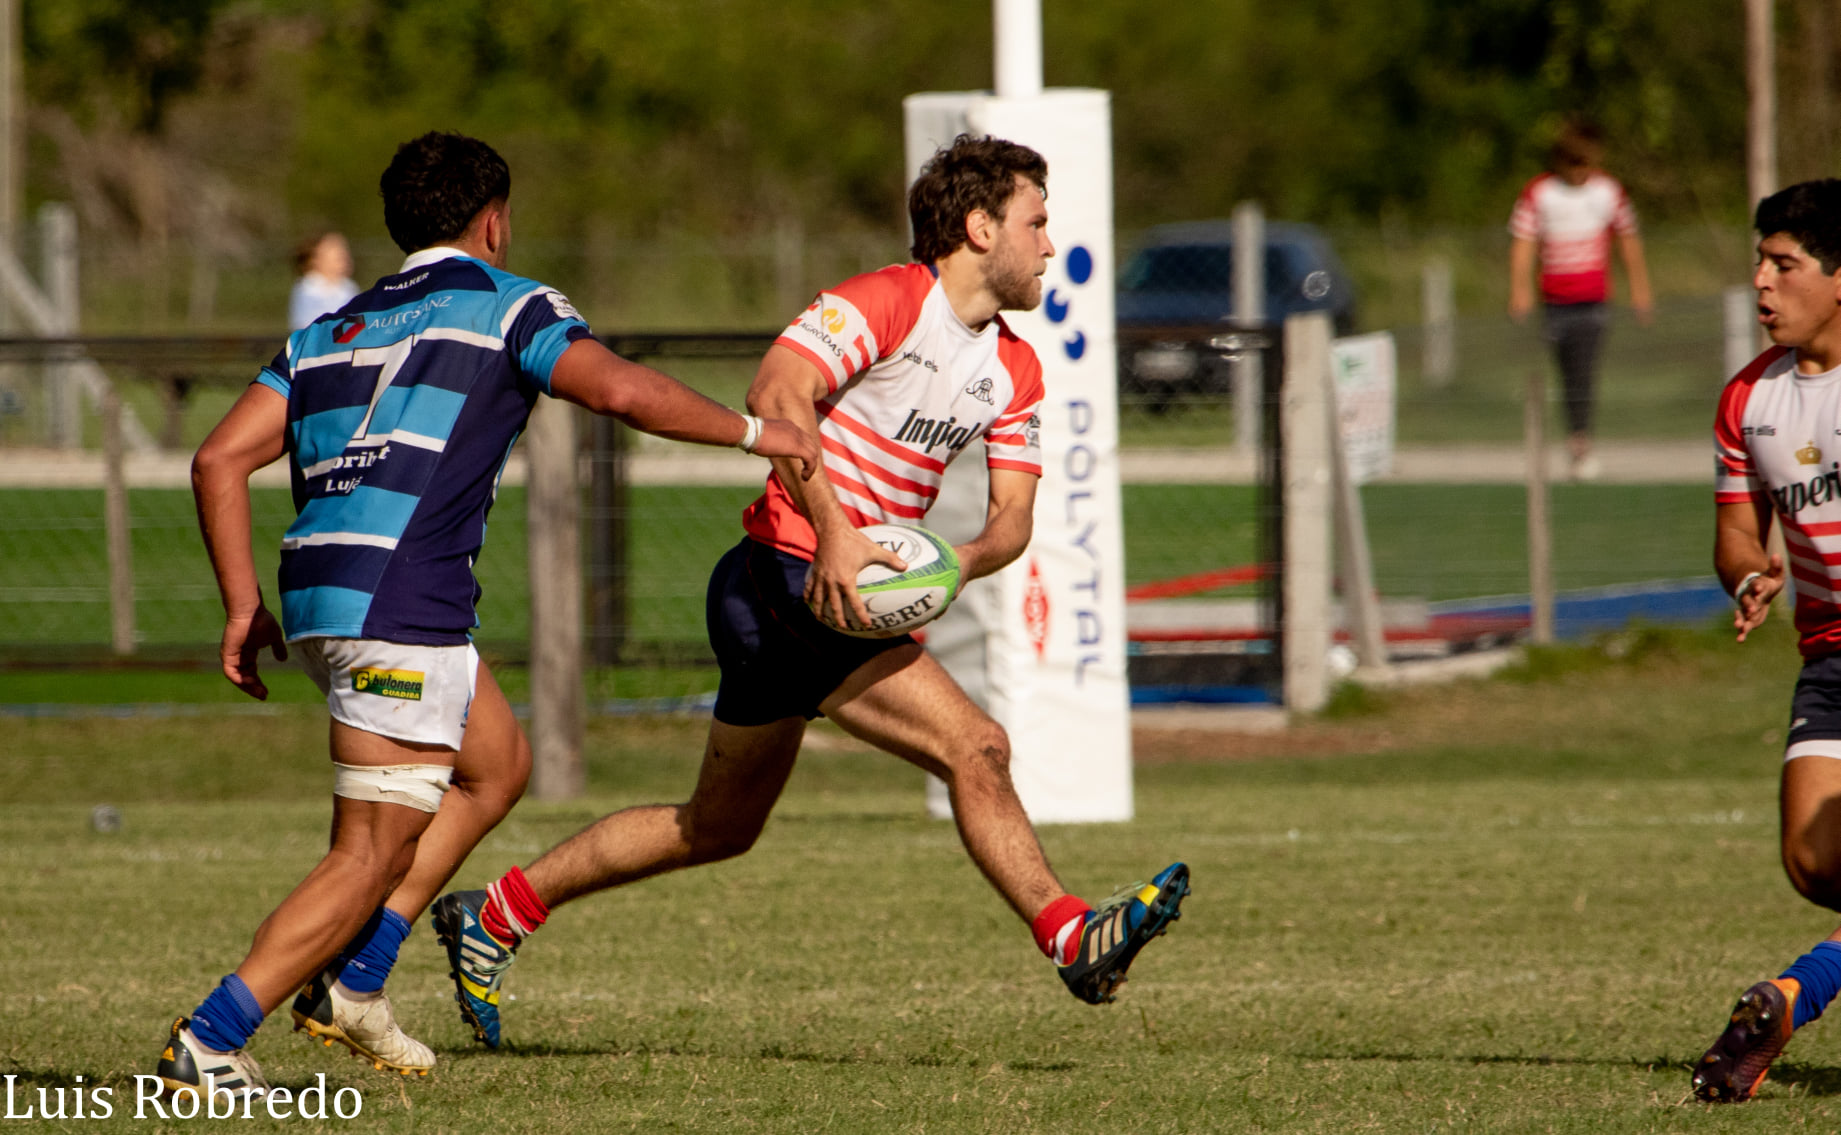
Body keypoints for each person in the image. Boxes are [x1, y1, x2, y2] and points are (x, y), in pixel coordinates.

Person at [430, 134, 1189, 1051]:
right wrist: (834, 528)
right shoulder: (883, 302)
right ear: (980, 227)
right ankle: (1070, 933)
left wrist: (957, 564)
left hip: (815, 595)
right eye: (1036, 223)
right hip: (787, 573)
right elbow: (776, 388)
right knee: (976, 746)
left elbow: (1011, 523)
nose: (1049, 244)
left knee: (716, 826)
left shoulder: (1015, 366)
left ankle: (496, 912)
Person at [155, 131, 817, 1103]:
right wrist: (762, 431)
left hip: (324, 587)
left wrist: (243, 604)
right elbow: (623, 391)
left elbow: (217, 458)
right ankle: (211, 1039)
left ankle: (356, 982)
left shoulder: (331, 327)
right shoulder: (512, 307)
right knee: (367, 850)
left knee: (497, 765)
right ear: (494, 219)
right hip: (397, 600)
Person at [1692, 178, 1841, 1102]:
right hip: (1827, 653)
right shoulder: (1749, 399)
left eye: (1782, 264)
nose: (1759, 282)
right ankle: (1794, 987)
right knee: (1813, 861)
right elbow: (1735, 533)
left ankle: (1795, 991)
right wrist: (1748, 573)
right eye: (1759, 261)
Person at [1508, 120, 1653, 481]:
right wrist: (1519, 290)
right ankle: (1568, 437)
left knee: (1583, 371)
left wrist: (1640, 289)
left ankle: (1580, 442)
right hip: (1554, 302)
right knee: (1562, 370)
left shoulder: (1608, 191)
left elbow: (1627, 241)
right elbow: (1523, 244)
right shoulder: (1540, 192)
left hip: (1592, 301)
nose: (1578, 171)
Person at [288, 232, 360, 330]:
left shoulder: (349, 287)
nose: (343, 253)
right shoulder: (307, 288)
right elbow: (307, 326)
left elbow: (358, 322)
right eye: (333, 248)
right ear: (315, 258)